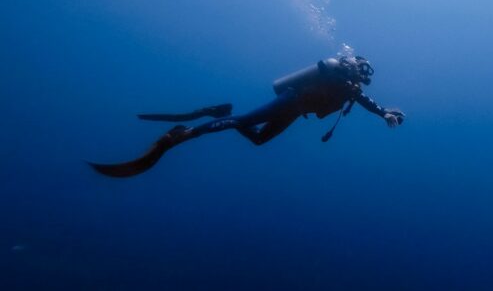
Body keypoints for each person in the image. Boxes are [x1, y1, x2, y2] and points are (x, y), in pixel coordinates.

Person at [89, 56, 405, 178]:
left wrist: (383, 113)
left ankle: (219, 112)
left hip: (297, 113)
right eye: (359, 74)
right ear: (353, 68)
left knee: (256, 139)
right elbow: (331, 73)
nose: (359, 81)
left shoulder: (352, 89)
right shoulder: (338, 73)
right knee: (244, 123)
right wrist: (342, 70)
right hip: (292, 99)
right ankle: (181, 135)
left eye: (362, 78)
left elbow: (365, 101)